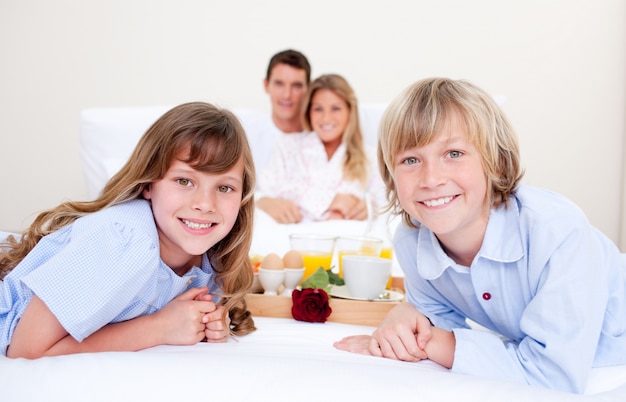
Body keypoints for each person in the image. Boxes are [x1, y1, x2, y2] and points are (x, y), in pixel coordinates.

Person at [333, 77, 626, 393]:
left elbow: (553, 376)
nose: (431, 179)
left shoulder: (556, 232)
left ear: (494, 160)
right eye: (411, 160)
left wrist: (436, 343)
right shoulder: (412, 241)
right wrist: (406, 316)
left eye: (454, 153)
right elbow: (437, 319)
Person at [0, 102, 257, 358]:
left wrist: (206, 321)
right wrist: (158, 329)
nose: (204, 204)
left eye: (224, 188)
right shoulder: (124, 240)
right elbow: (25, 349)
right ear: (148, 184)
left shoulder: (212, 260)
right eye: (184, 181)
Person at [256, 73, 385, 223]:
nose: (326, 118)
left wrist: (370, 207)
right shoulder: (287, 146)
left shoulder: (370, 157)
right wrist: (331, 201)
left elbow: (387, 203)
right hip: (295, 239)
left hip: (347, 241)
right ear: (309, 111)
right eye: (318, 109)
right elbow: (262, 194)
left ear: (350, 111)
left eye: (335, 109)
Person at [246, 49, 312, 172]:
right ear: (266, 85)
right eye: (279, 84)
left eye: (296, 86)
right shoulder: (248, 133)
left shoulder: (320, 139)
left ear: (308, 89)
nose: (287, 95)